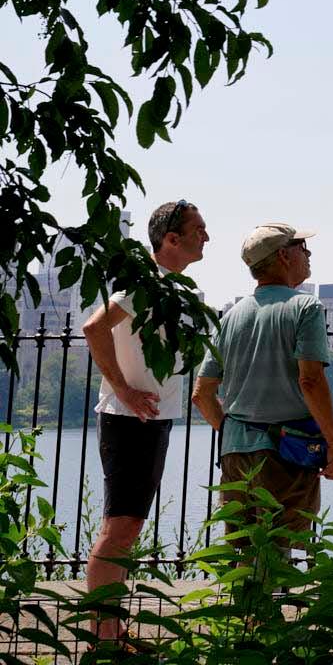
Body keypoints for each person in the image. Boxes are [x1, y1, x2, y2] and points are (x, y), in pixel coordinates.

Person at [79, 199, 210, 644]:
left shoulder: (174, 289)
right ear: (171, 239)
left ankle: (110, 628)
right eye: (198, 230)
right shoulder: (144, 285)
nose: (206, 237)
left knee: (127, 526)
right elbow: (93, 328)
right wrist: (124, 390)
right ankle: (103, 636)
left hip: (151, 419)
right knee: (120, 527)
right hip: (128, 419)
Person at [192, 224, 333, 541]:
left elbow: (201, 395)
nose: (308, 253)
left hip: (235, 454)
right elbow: (311, 380)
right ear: (283, 256)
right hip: (286, 453)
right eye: (302, 247)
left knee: (243, 550)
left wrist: (235, 431)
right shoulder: (305, 307)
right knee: (281, 548)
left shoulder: (231, 317)